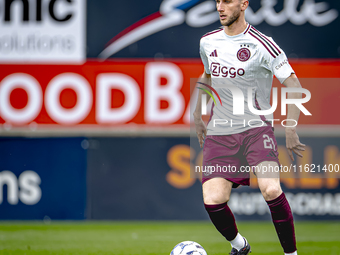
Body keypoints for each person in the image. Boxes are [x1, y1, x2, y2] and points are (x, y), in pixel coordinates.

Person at [193, 0, 306, 255]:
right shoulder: (208, 41)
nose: (220, 7)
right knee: (212, 200)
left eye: (227, 1)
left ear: (243, 4)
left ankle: (291, 254)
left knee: (271, 189)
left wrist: (290, 126)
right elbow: (207, 74)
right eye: (217, 1)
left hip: (256, 129)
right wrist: (197, 113)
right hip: (220, 131)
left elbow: (294, 85)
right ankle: (240, 246)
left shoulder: (263, 44)